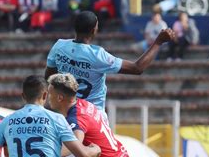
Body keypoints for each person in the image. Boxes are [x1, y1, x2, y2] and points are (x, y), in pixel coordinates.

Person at [45, 10, 174, 112]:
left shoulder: (59, 46)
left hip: (65, 112)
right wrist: (158, 42)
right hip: (93, 117)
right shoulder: (97, 55)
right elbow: (137, 68)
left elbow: (49, 76)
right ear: (93, 30)